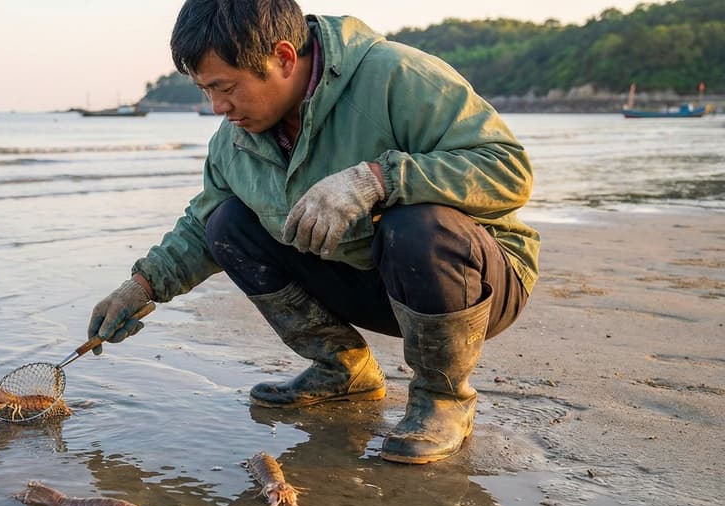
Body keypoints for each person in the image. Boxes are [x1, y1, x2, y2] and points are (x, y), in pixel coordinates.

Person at [86, 0, 539, 464]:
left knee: (415, 223)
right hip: (368, 281)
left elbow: (508, 169)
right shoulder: (234, 141)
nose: (218, 108)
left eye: (224, 88)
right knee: (227, 223)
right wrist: (140, 285)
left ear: (283, 58)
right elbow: (201, 228)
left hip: (473, 282)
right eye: (206, 91)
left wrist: (377, 180)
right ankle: (343, 369)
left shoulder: (397, 76)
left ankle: (443, 400)